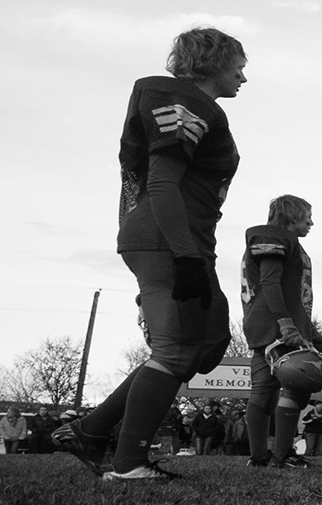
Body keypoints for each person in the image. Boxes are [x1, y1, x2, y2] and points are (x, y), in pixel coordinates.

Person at [54, 26, 247, 480]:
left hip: (186, 235)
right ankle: (130, 462)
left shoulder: (197, 106)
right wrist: (183, 257)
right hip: (168, 235)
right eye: (238, 63)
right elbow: (162, 182)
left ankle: (94, 429)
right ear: (213, 60)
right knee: (177, 352)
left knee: (208, 339)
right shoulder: (183, 100)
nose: (243, 75)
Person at [241, 194, 322, 469]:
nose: (311, 222)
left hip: (278, 323)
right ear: (291, 215)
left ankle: (268, 456)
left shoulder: (290, 243)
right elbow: (269, 282)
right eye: (307, 216)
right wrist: (286, 324)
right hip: (273, 325)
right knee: (294, 384)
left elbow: (295, 294)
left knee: (269, 391)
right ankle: (271, 454)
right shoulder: (273, 237)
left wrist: (309, 330)